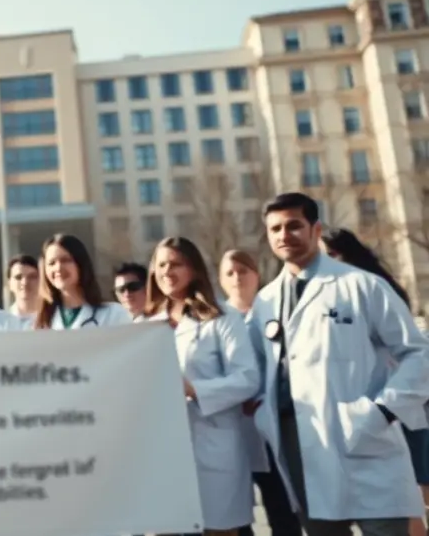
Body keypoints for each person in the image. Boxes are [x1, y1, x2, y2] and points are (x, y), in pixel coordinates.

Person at [251, 192, 429, 534]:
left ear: (316, 230)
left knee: (386, 526)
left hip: (364, 432)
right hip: (298, 440)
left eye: (293, 226)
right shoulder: (266, 302)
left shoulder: (361, 285)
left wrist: (383, 411)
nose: (283, 235)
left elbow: (417, 353)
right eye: (275, 229)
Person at [147, 237, 260, 536]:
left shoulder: (221, 317)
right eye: (161, 264)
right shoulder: (145, 324)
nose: (167, 271)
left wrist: (193, 389)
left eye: (176, 264)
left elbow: (247, 378)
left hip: (212, 444)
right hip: (162, 450)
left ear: (194, 270)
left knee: (218, 529)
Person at [321, 227, 429, 536]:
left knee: (415, 493)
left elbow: (411, 351)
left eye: (331, 255)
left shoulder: (376, 289)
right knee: (407, 501)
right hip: (377, 410)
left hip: (398, 405)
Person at [219, 250, 301, 536]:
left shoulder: (274, 308)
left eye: (244, 270)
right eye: (229, 272)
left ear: (257, 274)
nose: (237, 277)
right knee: (237, 513)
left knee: (282, 508)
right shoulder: (214, 317)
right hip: (230, 428)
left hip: (271, 424)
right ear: (220, 280)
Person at [33, 234, 132, 330]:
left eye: (66, 260)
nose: (58, 268)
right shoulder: (40, 321)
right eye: (51, 263)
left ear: (81, 264)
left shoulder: (113, 314)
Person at [5, 254, 39, 326]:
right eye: (18, 277)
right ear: (9, 284)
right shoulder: (0, 322)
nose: (25, 282)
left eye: (32, 277)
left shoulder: (54, 319)